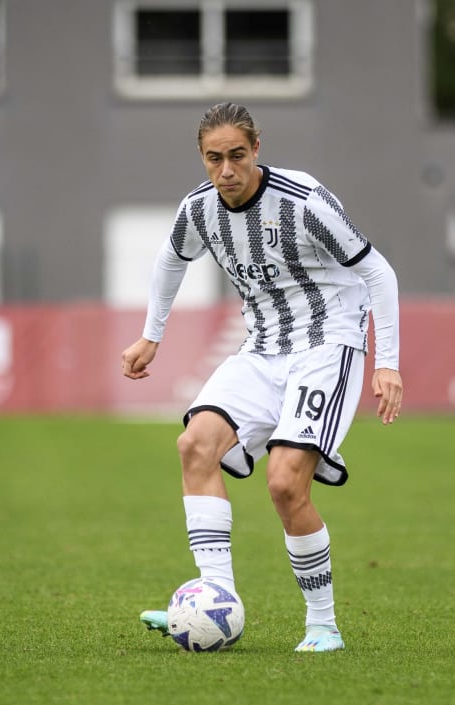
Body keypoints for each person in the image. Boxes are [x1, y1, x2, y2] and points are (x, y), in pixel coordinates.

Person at [122, 102, 403, 653]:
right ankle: (215, 600)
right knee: (195, 444)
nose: (225, 170)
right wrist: (151, 335)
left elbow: (377, 270)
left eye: (236, 156)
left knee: (283, 484)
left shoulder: (302, 201)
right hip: (263, 349)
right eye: (213, 159)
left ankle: (323, 625)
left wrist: (387, 362)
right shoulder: (200, 208)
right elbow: (169, 260)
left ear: (255, 150)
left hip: (329, 345)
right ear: (202, 159)